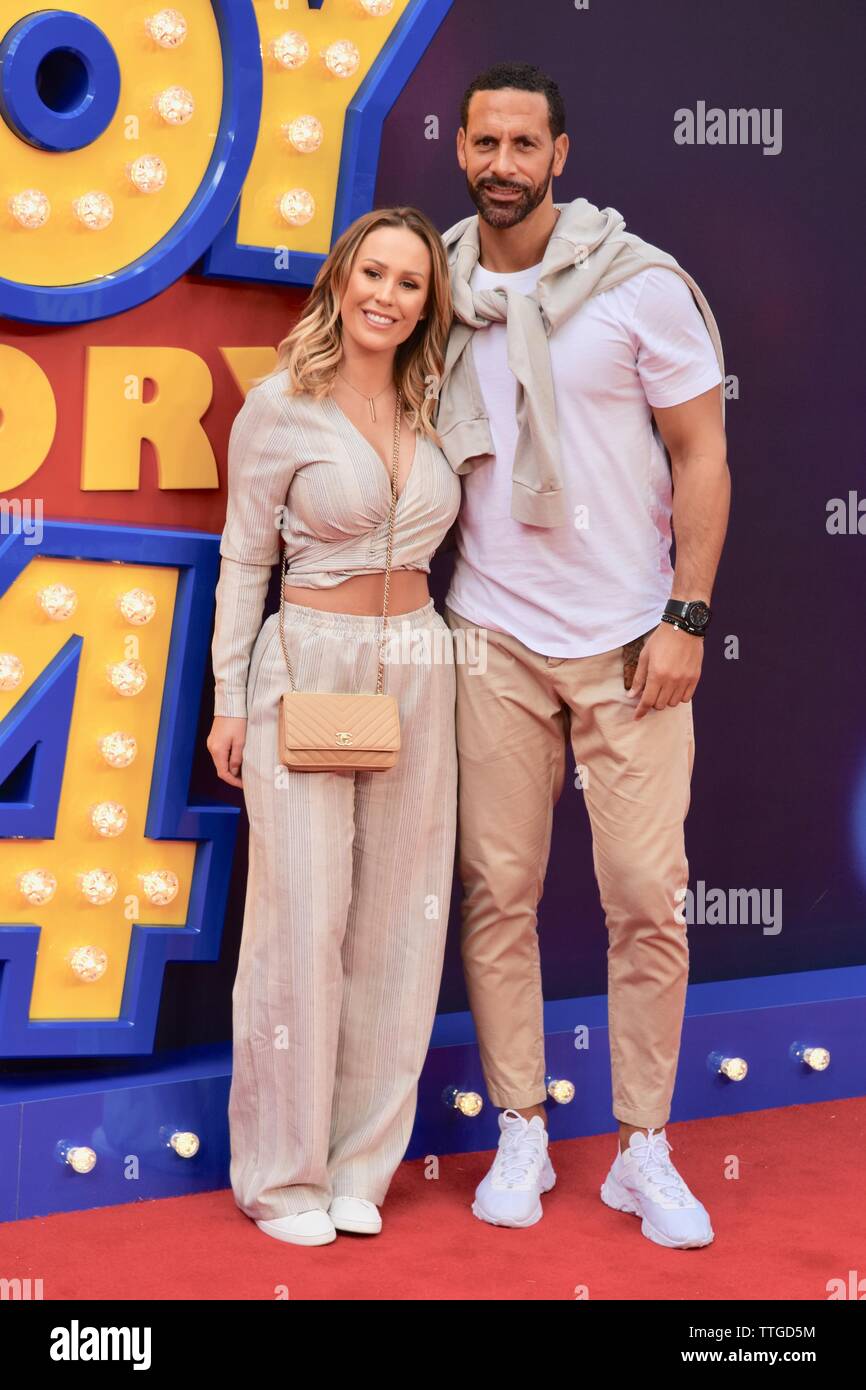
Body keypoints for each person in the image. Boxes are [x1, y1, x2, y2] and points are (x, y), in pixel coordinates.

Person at [436, 63, 730, 1247]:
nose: (501, 163)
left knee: (645, 900)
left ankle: (642, 1148)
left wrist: (686, 616)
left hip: (628, 642)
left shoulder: (639, 286)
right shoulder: (432, 286)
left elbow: (700, 454)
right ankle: (520, 1125)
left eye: (523, 144)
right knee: (496, 893)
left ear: (559, 154)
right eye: (482, 143)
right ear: (458, 150)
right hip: (490, 634)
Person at [207, 207, 461, 1246]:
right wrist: (229, 698)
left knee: (403, 919)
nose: (386, 295)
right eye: (373, 272)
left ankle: (363, 1162)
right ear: (340, 279)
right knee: (298, 923)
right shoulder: (280, 406)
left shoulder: (435, 401)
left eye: (409, 282)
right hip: (308, 661)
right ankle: (280, 1176)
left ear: (426, 304)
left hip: (417, 664)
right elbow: (240, 560)